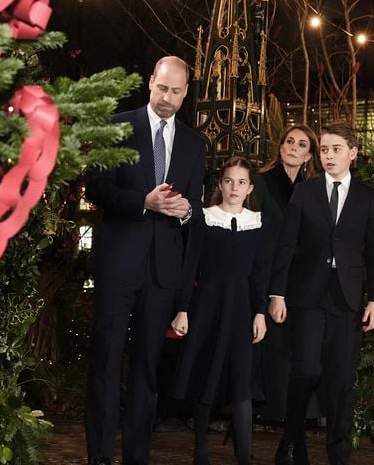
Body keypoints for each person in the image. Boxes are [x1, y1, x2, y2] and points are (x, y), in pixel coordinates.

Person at [84, 55, 206, 465]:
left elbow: (194, 211)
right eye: (162, 88)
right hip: (118, 266)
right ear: (150, 82)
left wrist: (186, 211)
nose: (167, 97)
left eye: (176, 91)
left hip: (162, 272)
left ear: (186, 92)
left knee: (147, 370)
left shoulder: (194, 143)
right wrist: (144, 202)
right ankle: (99, 456)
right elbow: (96, 188)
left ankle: (137, 456)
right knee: (105, 361)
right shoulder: (116, 126)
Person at [268, 121, 374, 465]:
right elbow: (287, 245)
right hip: (307, 296)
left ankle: (339, 456)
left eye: (336, 149)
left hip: (347, 300)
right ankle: (290, 440)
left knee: (341, 382)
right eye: (324, 150)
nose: (329, 155)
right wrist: (277, 293)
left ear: (353, 153)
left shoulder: (366, 197)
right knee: (306, 372)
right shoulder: (305, 192)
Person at [170, 156, 267, 465]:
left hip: (242, 310)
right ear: (220, 185)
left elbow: (259, 274)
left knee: (242, 381)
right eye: (229, 181)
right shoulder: (205, 218)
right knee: (206, 375)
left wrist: (260, 313)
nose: (234, 187)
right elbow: (190, 266)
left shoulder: (257, 222)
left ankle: (245, 457)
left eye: (241, 182)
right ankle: (200, 452)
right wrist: (182, 309)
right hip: (208, 308)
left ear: (249, 187)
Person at [253, 125, 321, 430]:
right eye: (289, 141)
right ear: (280, 147)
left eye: (301, 144)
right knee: (270, 345)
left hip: (302, 281)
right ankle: (267, 409)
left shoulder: (313, 189)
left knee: (298, 348)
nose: (293, 147)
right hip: (267, 272)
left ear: (309, 154)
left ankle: (297, 413)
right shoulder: (261, 182)